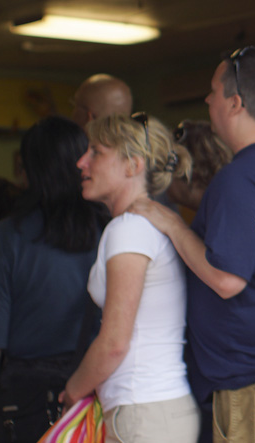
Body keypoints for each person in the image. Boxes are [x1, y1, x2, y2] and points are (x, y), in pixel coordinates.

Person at [132, 48, 255, 443]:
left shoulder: (239, 178)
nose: (207, 101)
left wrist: (170, 223)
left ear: (235, 103)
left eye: (213, 91)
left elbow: (228, 278)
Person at [62, 113, 199, 443]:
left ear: (133, 165)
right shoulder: (141, 225)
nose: (81, 162)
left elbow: (114, 343)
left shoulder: (129, 230)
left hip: (143, 413)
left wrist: (72, 391)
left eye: (96, 152)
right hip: (151, 411)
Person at [0, 117, 110, 443]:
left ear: (29, 168)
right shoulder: (111, 230)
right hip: (97, 393)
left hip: (22, 402)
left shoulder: (6, 237)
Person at [166, 120, 233, 215]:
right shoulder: (223, 207)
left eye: (167, 165)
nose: (162, 176)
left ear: (191, 173)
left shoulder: (221, 216)